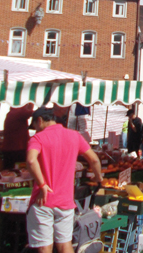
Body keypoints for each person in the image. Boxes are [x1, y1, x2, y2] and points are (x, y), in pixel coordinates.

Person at [26, 107, 104, 253]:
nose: (35, 129)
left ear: (39, 121)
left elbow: (31, 161)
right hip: (66, 201)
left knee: (45, 247)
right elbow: (94, 159)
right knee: (65, 245)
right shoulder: (74, 136)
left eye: (35, 126)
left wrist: (42, 184)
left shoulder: (38, 138)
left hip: (43, 201)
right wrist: (98, 177)